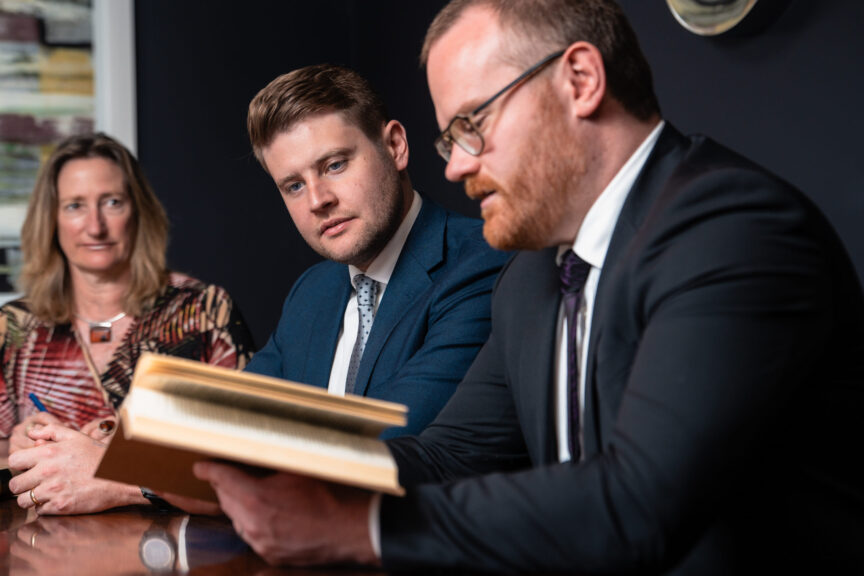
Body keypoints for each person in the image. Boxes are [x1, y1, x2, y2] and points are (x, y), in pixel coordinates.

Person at [187, 0, 864, 572]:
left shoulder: (733, 228)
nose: (455, 167)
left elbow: (637, 502)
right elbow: (446, 453)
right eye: (450, 138)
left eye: (472, 125)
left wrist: (357, 528)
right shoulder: (532, 276)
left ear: (579, 81)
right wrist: (273, 474)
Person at [240, 64, 509, 437]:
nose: (318, 200)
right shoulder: (310, 293)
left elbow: (392, 436)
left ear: (395, 146)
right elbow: (234, 424)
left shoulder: (481, 264)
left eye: (335, 165)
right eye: (294, 186)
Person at [0, 132, 254, 515]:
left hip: (181, 543)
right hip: (47, 544)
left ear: (138, 211)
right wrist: (16, 449)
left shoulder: (204, 311)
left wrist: (129, 454)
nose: (95, 226)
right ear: (51, 219)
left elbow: (251, 460)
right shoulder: (14, 327)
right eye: (74, 206)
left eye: (112, 202)